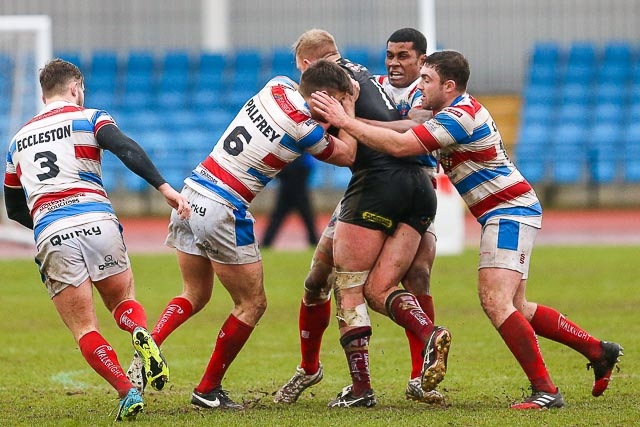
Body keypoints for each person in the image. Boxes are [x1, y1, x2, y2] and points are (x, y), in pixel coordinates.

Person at [311, 49, 624, 409]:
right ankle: (598, 351)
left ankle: (546, 391)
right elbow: (402, 127)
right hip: (502, 211)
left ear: (448, 85)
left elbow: (400, 144)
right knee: (517, 305)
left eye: (427, 79)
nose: (420, 84)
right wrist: (351, 114)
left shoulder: (461, 116)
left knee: (495, 301)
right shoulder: (444, 110)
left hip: (509, 210)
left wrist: (345, 121)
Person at [126, 59, 359, 410]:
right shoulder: (302, 127)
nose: (338, 106)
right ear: (324, 96)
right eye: (336, 99)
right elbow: (349, 154)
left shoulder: (276, 85)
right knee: (252, 303)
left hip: (191, 193)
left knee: (194, 292)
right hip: (224, 206)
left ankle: (150, 345)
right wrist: (349, 111)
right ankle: (207, 390)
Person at [3, 58, 191, 421]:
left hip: (52, 231)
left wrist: (47, 228)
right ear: (75, 89)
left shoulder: (17, 141)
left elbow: (13, 208)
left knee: (85, 327)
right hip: (97, 220)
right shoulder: (89, 117)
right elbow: (125, 147)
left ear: (44, 95)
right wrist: (164, 187)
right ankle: (139, 332)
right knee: (122, 300)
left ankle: (126, 391)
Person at [274, 29, 450, 409]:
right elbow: (407, 122)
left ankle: (361, 388)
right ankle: (312, 368)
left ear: (307, 64)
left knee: (349, 286)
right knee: (323, 276)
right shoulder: (364, 74)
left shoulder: (324, 83)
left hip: (377, 185)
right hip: (419, 185)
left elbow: (345, 151)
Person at [261, 152, 319, 248]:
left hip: (289, 189)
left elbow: (277, 171)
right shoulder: (303, 152)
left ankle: (266, 244)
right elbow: (309, 167)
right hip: (296, 190)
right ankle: (314, 243)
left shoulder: (286, 153)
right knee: (307, 219)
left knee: (278, 218)